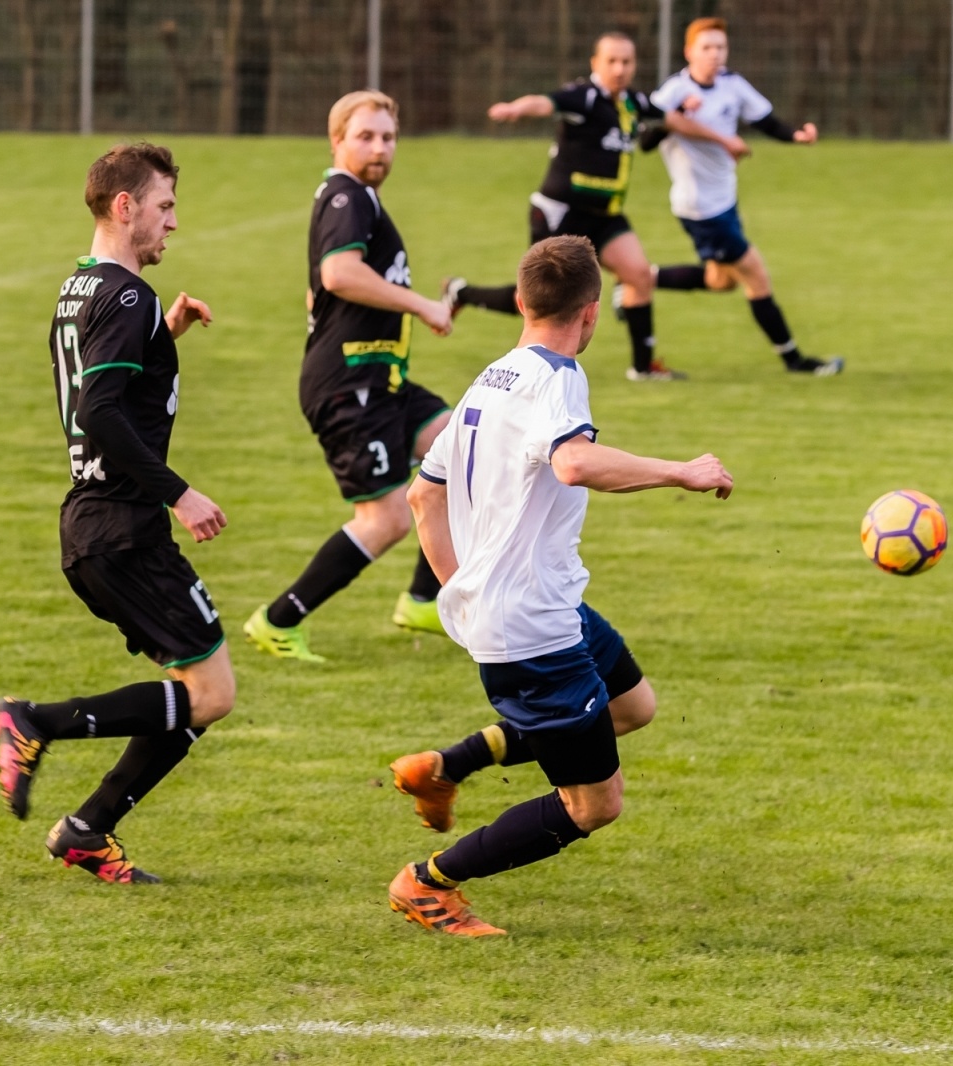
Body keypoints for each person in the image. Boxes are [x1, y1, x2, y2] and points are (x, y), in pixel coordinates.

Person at [386, 235, 734, 936]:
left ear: (519, 302)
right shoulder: (557, 378)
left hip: (547, 603)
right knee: (594, 804)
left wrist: (464, 590)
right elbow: (574, 463)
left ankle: (446, 766)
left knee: (633, 705)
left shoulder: (493, 375)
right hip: (531, 629)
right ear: (593, 312)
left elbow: (423, 499)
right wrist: (682, 471)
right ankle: (428, 882)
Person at [0, 142, 235, 885]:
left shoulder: (83, 288)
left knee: (189, 699)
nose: (173, 223)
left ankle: (89, 829)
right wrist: (179, 492)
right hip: (125, 529)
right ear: (124, 207)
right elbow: (100, 410)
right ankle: (35, 722)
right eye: (164, 206)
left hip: (94, 529)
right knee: (211, 694)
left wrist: (167, 334)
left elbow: (108, 378)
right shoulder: (128, 297)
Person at [243, 90, 454, 663]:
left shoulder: (355, 198)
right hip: (350, 382)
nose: (380, 147)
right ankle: (278, 620)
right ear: (338, 141)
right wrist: (421, 304)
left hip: (378, 375)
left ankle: (425, 599)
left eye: (388, 136)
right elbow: (338, 274)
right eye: (366, 136)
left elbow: (319, 286)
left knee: (463, 449)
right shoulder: (346, 195)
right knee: (384, 518)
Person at [440, 32, 724, 383]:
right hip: (561, 213)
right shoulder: (584, 97)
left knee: (637, 275)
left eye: (627, 61)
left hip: (605, 216)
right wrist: (517, 109)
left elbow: (671, 120)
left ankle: (643, 367)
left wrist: (724, 140)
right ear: (595, 63)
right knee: (535, 300)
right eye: (612, 61)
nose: (620, 68)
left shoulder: (634, 102)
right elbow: (545, 102)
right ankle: (461, 292)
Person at [642, 17, 843, 376]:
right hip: (701, 209)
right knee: (756, 277)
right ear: (689, 52)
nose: (715, 54)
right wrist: (679, 114)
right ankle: (794, 360)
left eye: (720, 47)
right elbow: (644, 141)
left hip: (726, 200)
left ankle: (640, 278)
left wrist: (796, 136)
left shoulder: (732, 85)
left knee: (722, 281)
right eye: (707, 48)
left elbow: (766, 120)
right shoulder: (672, 93)